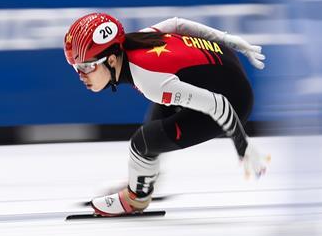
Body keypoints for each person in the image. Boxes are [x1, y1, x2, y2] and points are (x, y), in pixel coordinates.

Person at [64, 12, 269, 216]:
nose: (81, 76)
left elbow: (218, 104)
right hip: (222, 66)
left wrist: (242, 144)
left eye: (86, 67)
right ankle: (143, 179)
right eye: (76, 68)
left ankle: (136, 199)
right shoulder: (134, 41)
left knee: (143, 142)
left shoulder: (149, 79)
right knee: (156, 121)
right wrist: (229, 40)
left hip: (234, 99)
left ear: (111, 60)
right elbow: (177, 24)